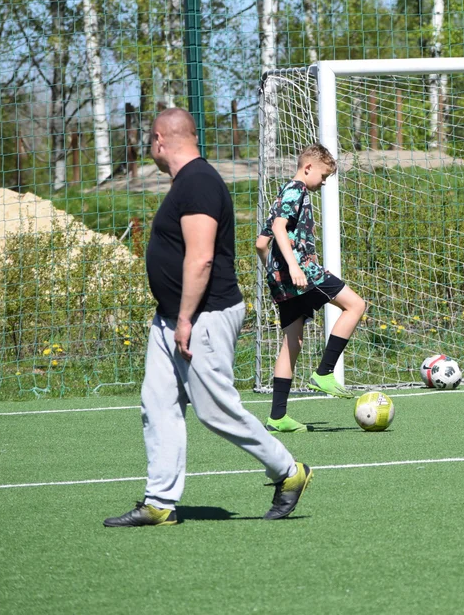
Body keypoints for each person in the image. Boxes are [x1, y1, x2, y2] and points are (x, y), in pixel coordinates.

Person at [104, 108, 311, 527]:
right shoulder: (185, 184)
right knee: (158, 406)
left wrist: (183, 319)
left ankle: (289, 472)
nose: (150, 149)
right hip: (173, 318)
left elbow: (199, 260)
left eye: (150, 142)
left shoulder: (198, 182)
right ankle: (160, 502)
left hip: (203, 316)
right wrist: (170, 318)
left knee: (215, 410)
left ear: (160, 140)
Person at [255, 143, 366, 433]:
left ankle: (278, 417)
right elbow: (279, 228)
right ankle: (324, 373)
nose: (325, 182)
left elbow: (260, 243)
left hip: (279, 279)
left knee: (293, 342)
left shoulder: (282, 193)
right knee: (355, 305)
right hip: (301, 272)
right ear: (308, 168)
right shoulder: (296, 190)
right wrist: (293, 267)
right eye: (324, 175)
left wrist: (276, 271)